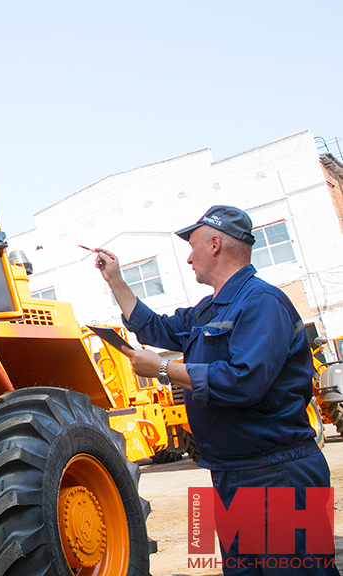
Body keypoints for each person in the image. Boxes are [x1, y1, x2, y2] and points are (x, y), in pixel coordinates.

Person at [95, 205, 337, 575]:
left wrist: (161, 367)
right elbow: (155, 328)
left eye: (192, 248)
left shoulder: (261, 303)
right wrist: (116, 280)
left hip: (277, 475)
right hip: (232, 473)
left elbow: (244, 381)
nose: (189, 258)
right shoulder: (208, 310)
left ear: (215, 244)